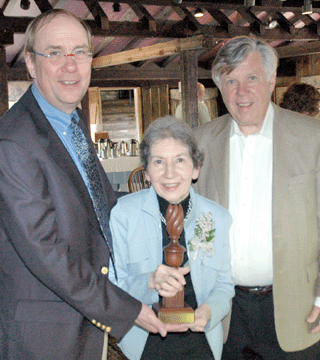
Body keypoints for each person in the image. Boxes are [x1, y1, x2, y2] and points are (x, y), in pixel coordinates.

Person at [0, 10, 184, 360]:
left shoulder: (71, 121)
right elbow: (47, 253)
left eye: (80, 52)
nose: (71, 66)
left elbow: (102, 206)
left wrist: (164, 203)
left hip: (81, 323)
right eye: (54, 53)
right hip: (44, 336)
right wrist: (128, 309)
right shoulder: (13, 143)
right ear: (31, 64)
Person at [193, 36, 320, 359]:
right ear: (220, 88)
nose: (241, 91)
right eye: (231, 81)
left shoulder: (312, 137)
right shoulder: (201, 143)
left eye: (251, 78)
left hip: (298, 307)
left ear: (271, 78)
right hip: (224, 313)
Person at [109, 116, 234, 360]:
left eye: (179, 160)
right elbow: (113, 285)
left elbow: (224, 285)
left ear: (196, 168)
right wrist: (150, 280)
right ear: (146, 171)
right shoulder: (123, 214)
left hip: (202, 343)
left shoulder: (217, 217)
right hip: (143, 344)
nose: (169, 173)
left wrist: (208, 312)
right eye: (158, 161)